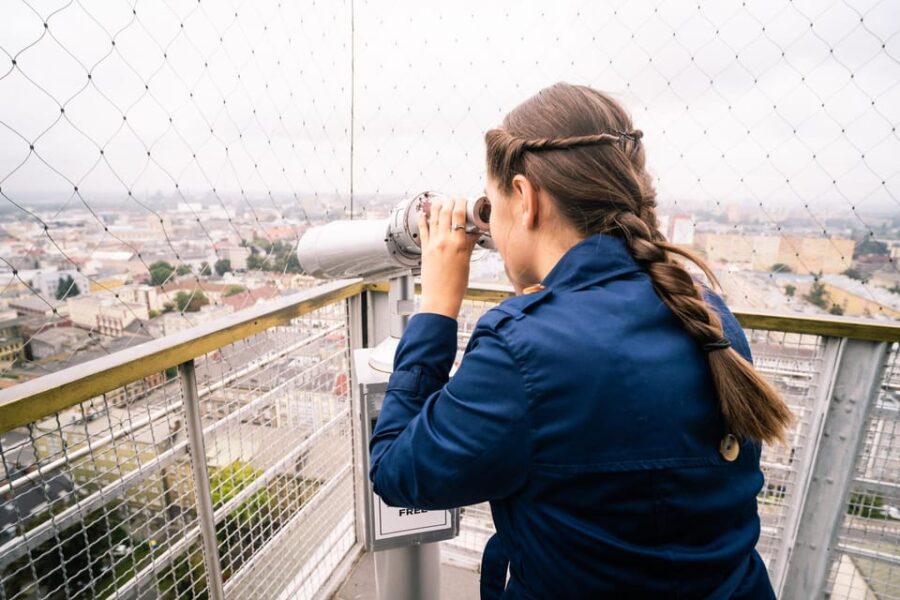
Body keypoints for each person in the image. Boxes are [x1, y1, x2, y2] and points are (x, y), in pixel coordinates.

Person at [369, 82, 793, 599]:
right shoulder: (707, 315)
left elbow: (396, 470)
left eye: (493, 201)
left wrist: (436, 308)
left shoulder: (521, 350)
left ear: (524, 199)